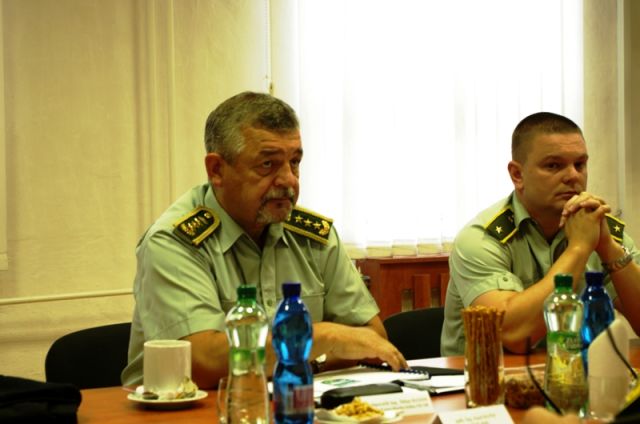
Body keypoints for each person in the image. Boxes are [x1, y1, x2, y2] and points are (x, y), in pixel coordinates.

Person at [121, 91, 407, 389]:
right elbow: (202, 362)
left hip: (295, 403)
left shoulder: (313, 237)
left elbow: (372, 340)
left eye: (294, 162)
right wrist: (324, 338)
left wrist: (307, 360)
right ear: (217, 170)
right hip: (188, 408)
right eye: (268, 165)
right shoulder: (174, 242)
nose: (289, 180)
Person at [441, 112, 640, 356]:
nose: (573, 176)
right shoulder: (481, 239)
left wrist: (609, 249)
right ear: (517, 175)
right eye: (553, 165)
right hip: (486, 377)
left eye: (580, 164)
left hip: (575, 372)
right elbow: (513, 335)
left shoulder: (597, 227)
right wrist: (578, 249)